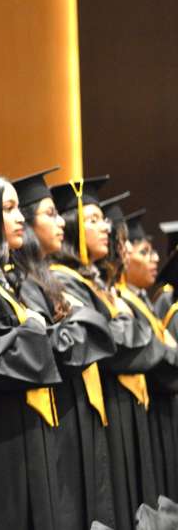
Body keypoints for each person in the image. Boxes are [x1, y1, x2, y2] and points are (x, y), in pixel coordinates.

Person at [9, 168, 117, 530]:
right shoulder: (24, 281)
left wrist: (80, 320)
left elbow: (92, 330)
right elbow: (63, 344)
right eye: (50, 214)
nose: (60, 224)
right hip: (58, 410)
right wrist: (83, 318)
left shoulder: (49, 278)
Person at [51, 176, 159, 530]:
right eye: (93, 219)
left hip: (122, 403)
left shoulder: (96, 284)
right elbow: (112, 340)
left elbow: (134, 336)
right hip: (102, 402)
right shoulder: (63, 281)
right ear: (71, 227)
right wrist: (126, 329)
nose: (106, 228)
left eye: (103, 219)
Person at [0, 166, 62, 530]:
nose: (20, 218)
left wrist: (34, 331)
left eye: (20, 208)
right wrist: (36, 332)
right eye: (8, 209)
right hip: (1, 427)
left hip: (26, 420)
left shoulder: (0, 276)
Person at [118, 210, 178, 501]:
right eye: (143, 251)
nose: (154, 258)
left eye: (153, 251)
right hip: (144, 408)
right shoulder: (122, 303)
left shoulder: (141, 301)